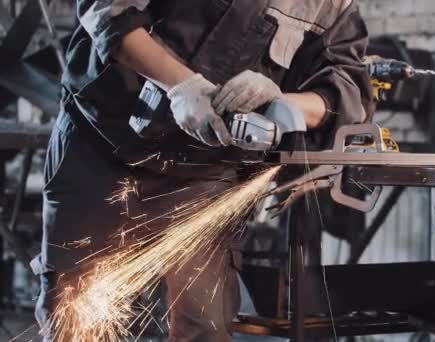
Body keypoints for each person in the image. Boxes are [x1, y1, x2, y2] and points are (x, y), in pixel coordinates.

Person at [31, 0, 374, 340]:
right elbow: (108, 11)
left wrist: (284, 102)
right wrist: (181, 86)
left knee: (204, 327)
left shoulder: (331, 5)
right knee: (78, 319)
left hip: (207, 174)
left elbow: (350, 92)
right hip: (102, 149)